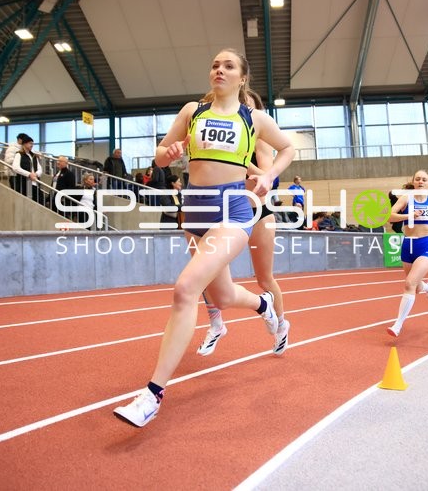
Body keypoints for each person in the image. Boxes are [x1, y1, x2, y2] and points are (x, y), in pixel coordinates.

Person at [113, 48, 294, 428]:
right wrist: (168, 152)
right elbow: (159, 157)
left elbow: (288, 147)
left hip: (233, 210)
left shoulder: (254, 118)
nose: (219, 70)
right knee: (222, 295)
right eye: (215, 65)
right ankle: (263, 304)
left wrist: (267, 175)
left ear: (242, 77)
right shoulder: (191, 112)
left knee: (186, 288)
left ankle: (152, 395)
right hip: (194, 210)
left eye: (228, 66)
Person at [196, 89, 290, 358]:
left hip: (257, 212)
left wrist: (239, 160)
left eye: (245, 105)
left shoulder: (260, 139)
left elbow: (268, 177)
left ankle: (281, 325)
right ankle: (216, 325)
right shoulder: (215, 134)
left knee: (264, 278)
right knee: (205, 271)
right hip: (224, 213)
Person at [385, 169, 428, 337]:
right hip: (408, 245)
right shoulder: (406, 198)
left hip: (426, 245)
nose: (421, 181)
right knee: (415, 287)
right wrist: (408, 215)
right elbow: (390, 217)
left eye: (424, 179)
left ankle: (398, 325)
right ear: (413, 181)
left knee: (409, 284)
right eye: (418, 179)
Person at [11, 134, 43, 203]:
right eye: (30, 143)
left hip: (35, 183)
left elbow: (40, 169)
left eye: (32, 143)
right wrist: (29, 174)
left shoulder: (34, 156)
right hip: (24, 184)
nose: (32, 145)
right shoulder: (19, 154)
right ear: (24, 144)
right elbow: (15, 167)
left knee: (39, 201)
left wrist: (36, 174)